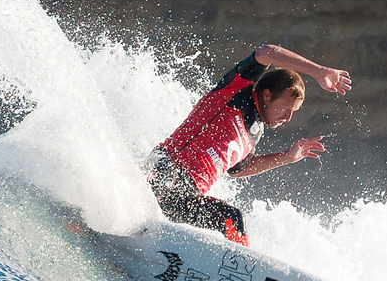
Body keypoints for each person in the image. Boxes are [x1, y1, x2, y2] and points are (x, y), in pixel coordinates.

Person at [148, 44, 352, 246]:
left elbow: (238, 170)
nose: (288, 117)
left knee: (228, 221)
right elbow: (267, 52)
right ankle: (240, 266)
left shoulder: (255, 132)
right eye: (285, 108)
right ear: (267, 95)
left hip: (187, 195)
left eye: (293, 112)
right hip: (168, 172)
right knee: (231, 218)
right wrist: (317, 71)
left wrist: (287, 157)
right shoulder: (236, 92)